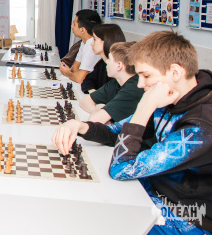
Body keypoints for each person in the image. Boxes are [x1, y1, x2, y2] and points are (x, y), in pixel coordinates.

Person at [52, 31, 212, 234]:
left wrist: (145, 107)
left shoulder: (201, 126)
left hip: (188, 218)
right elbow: (119, 132)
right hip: (150, 193)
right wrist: (80, 126)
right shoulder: (171, 98)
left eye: (146, 76)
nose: (140, 84)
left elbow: (121, 169)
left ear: (175, 72)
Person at [78, 42, 144, 123]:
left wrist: (100, 113)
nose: (107, 62)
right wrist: (95, 110)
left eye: (109, 59)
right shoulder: (117, 82)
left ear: (119, 65)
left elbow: (94, 119)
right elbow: (84, 101)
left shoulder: (133, 88)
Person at [59, 9, 102, 84]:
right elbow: (75, 68)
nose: (72, 26)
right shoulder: (84, 42)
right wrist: (73, 73)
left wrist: (67, 72)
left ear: (82, 30)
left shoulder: (91, 45)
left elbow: (80, 78)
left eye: (74, 24)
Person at [81, 23, 126, 93]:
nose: (91, 44)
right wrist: (92, 91)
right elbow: (87, 81)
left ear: (106, 41)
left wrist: (96, 96)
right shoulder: (101, 64)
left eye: (94, 39)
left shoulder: (119, 68)